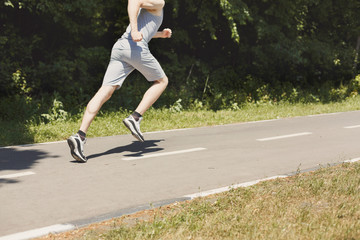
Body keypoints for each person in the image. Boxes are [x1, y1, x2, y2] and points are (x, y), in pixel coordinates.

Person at [67, 0, 172, 163]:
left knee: (105, 90)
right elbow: (134, 1)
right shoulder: (159, 2)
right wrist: (136, 31)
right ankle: (135, 118)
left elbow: (143, 26)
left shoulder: (150, 6)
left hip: (121, 47)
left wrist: (160, 34)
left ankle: (80, 136)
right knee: (162, 81)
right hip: (135, 48)